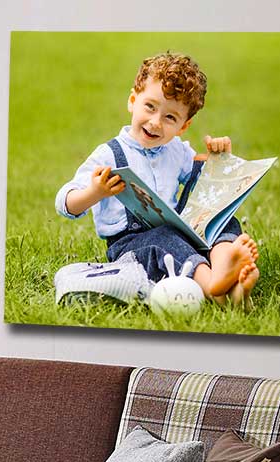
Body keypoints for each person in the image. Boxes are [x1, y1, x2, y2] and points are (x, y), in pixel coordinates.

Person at [55, 52, 259, 306]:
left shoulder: (178, 150)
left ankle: (227, 269)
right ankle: (215, 287)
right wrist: (94, 192)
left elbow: (205, 182)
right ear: (132, 100)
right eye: (150, 107)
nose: (155, 122)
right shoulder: (109, 154)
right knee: (165, 240)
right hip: (132, 245)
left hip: (179, 233)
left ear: (183, 126)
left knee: (222, 219)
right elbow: (65, 202)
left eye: (170, 117)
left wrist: (219, 156)